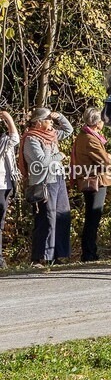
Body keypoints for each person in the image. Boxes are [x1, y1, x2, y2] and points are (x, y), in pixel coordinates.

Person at [20, 107, 73, 267]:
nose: (51, 122)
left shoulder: (51, 135)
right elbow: (41, 162)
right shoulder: (31, 139)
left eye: (51, 119)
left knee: (62, 215)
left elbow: (68, 130)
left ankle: (57, 255)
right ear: (38, 122)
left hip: (57, 178)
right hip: (44, 182)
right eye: (48, 119)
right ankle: (39, 257)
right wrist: (58, 155)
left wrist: (60, 116)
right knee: (46, 219)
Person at [71, 108, 111, 262]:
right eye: (102, 120)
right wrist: (109, 157)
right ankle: (89, 253)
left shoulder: (85, 136)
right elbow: (105, 162)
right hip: (96, 181)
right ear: (97, 123)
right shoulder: (90, 139)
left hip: (91, 179)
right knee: (93, 217)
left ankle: (90, 251)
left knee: (92, 216)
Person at [0, 110, 20, 269]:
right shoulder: (3, 142)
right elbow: (15, 138)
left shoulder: (3, 141)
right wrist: (9, 118)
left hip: (5, 185)